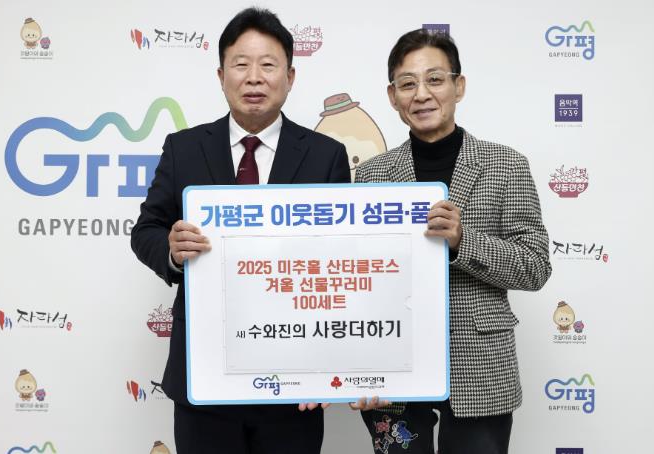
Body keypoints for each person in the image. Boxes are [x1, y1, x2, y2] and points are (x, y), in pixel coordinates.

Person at [130, 8, 350, 454]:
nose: (254, 77)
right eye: (241, 64)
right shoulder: (184, 148)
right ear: (221, 75)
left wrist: (330, 363)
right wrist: (171, 250)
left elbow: (341, 257)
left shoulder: (326, 154)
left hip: (294, 375)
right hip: (204, 370)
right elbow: (146, 229)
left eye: (268, 65)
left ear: (290, 76)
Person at [352, 29, 551, 454]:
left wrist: (463, 241)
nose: (421, 94)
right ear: (392, 96)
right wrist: (361, 368)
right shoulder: (371, 175)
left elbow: (535, 267)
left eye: (435, 79)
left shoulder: (506, 165)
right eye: (408, 83)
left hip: (480, 365)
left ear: (458, 86)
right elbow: (358, 281)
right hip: (396, 366)